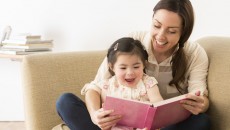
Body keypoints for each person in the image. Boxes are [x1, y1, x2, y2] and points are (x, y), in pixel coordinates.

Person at [56, 0, 210, 129]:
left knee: (202, 121)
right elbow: (95, 87)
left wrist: (201, 104)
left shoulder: (195, 54)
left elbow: (200, 95)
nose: (160, 36)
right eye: (156, 26)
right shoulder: (132, 43)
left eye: (171, 31)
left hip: (159, 127)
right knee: (65, 102)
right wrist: (95, 115)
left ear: (183, 32)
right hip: (113, 124)